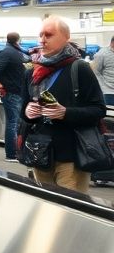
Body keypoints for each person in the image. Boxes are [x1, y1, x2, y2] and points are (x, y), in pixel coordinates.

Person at [21, 17, 105, 194]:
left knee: (70, 208)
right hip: (40, 151)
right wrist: (28, 112)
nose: (43, 39)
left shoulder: (79, 68)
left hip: (71, 154)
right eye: (41, 34)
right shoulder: (33, 72)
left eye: (49, 35)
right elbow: (23, 110)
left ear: (66, 37)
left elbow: (98, 110)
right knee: (45, 205)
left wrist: (65, 113)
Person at [0, 32, 29, 162]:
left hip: (15, 92)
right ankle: (11, 154)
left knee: (15, 123)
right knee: (13, 123)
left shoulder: (13, 51)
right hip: (11, 92)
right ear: (18, 40)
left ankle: (15, 152)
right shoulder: (8, 52)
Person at [90, 35, 114, 106]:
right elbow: (95, 72)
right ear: (112, 43)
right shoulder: (102, 54)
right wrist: (102, 87)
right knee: (110, 115)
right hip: (108, 92)